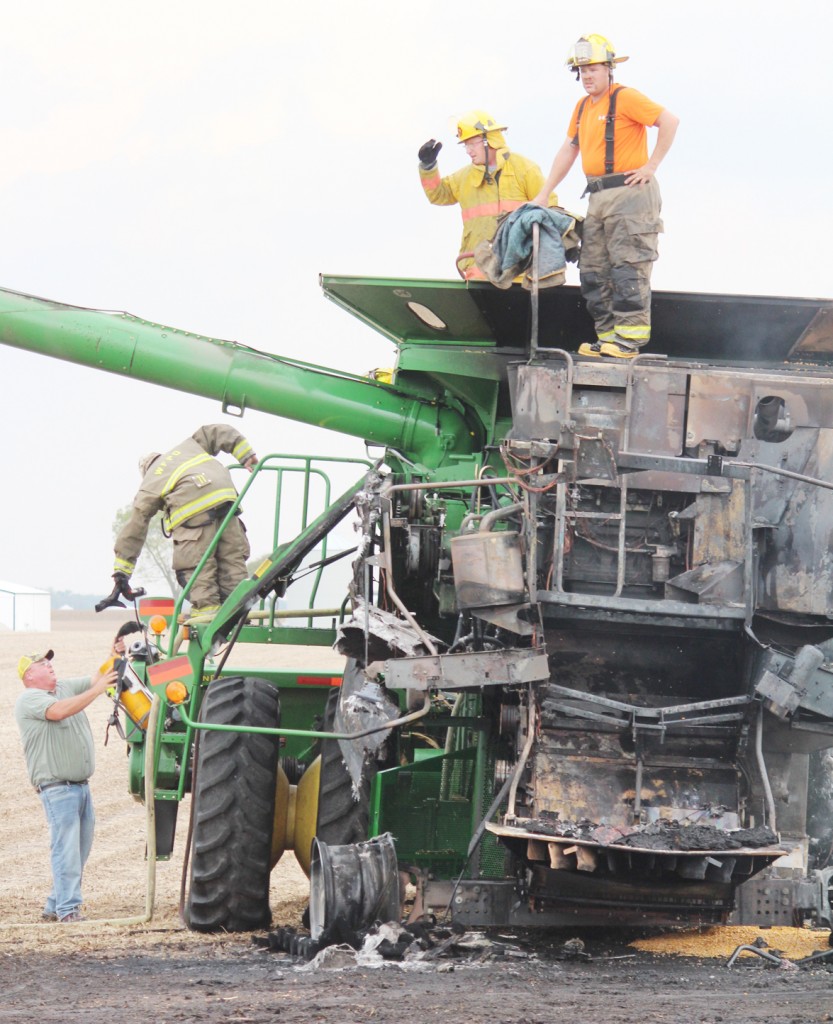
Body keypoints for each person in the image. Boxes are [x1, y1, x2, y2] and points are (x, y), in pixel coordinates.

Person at [532, 34, 679, 359]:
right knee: (594, 270)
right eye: (582, 70)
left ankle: (628, 341)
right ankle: (608, 338)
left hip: (631, 194)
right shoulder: (582, 107)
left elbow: (669, 120)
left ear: (609, 70)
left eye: (593, 69)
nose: (587, 76)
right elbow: (569, 149)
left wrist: (651, 166)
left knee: (628, 267)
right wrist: (543, 194)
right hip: (597, 196)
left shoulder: (626, 98)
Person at [113, 424, 258, 621]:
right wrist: (246, 455)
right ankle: (239, 610)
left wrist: (122, 571)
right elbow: (216, 432)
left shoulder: (151, 480)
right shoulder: (187, 447)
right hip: (226, 497)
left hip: (195, 511)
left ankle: (206, 614)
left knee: (196, 564)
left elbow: (135, 527)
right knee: (231, 558)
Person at [14, 649, 118, 922]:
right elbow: (59, 712)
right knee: (66, 851)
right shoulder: (30, 699)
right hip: (58, 789)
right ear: (29, 675)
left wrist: (113, 651)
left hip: (80, 787)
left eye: (50, 662)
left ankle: (53, 906)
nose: (50, 667)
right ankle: (68, 910)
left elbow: (99, 676)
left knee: (77, 852)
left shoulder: (62, 688)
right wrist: (97, 690)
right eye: (42, 664)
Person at [419, 110, 558, 280]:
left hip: (521, 270)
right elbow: (438, 195)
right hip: (479, 271)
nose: (468, 151)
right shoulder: (463, 178)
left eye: (472, 143)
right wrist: (428, 166)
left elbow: (551, 211)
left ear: (489, 140)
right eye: (465, 145)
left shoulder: (525, 169)